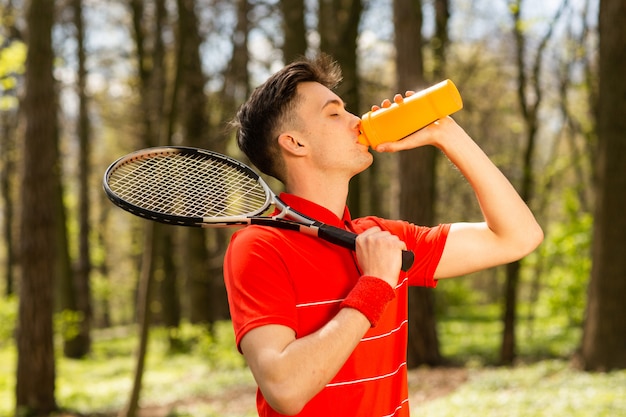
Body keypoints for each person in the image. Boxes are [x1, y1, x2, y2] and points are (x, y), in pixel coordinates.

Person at [223, 54, 543, 417]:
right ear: (295, 143)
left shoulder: (383, 238)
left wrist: (446, 134)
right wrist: (375, 283)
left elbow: (519, 236)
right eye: (334, 113)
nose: (356, 120)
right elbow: (285, 389)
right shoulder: (259, 246)